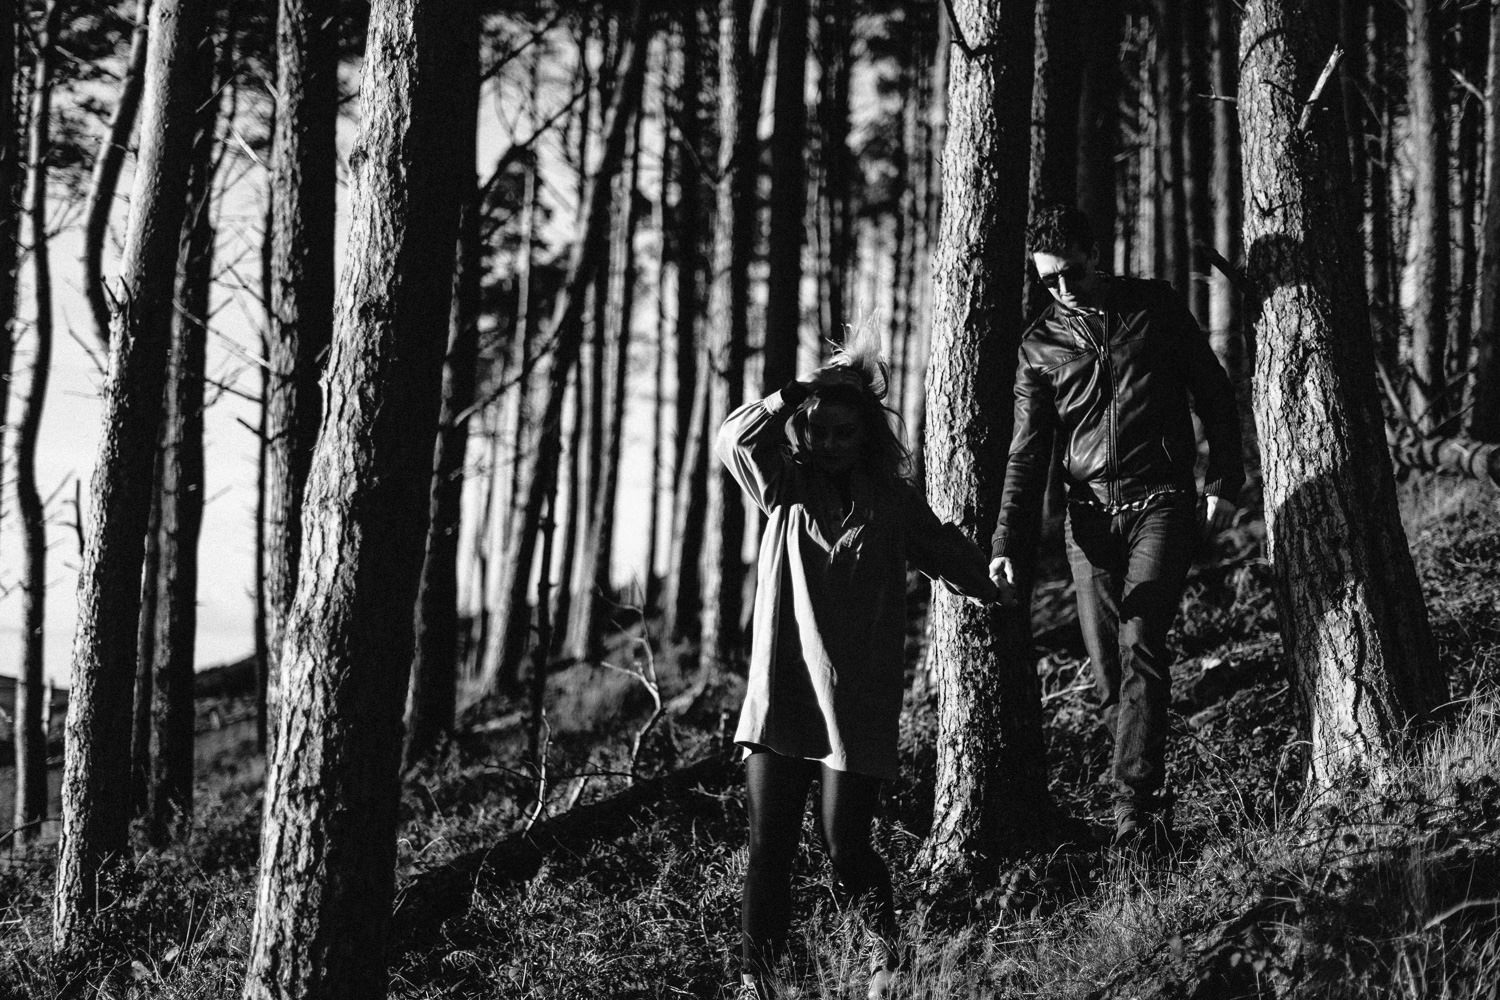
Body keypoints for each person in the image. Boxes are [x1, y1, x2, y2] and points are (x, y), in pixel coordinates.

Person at [715, 335, 999, 1000]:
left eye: (844, 432)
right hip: (782, 693)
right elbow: (733, 440)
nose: (828, 443)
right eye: (816, 430)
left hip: (858, 700)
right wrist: (795, 389)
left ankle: (889, 962)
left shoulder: (893, 502)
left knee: (847, 847)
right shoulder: (783, 482)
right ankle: (759, 982)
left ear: (866, 433)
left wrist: (995, 577)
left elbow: (952, 560)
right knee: (770, 852)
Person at [989, 203, 1245, 850]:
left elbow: (1212, 390)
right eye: (1048, 280)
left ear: (1095, 253)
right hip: (1089, 520)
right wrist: (1006, 542)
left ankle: (1133, 810)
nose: (1062, 288)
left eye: (1071, 272)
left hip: (1161, 501)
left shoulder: (1153, 308)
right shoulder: (1039, 345)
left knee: (1142, 640)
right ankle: (1146, 803)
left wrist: (1223, 482)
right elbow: (1026, 454)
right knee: (1108, 671)